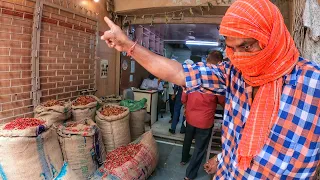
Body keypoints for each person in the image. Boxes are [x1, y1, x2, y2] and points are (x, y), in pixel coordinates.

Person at [100, 0, 320, 178]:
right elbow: (177, 73)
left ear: (273, 38)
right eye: (232, 49)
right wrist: (128, 46)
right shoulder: (234, 73)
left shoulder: (313, 84)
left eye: (247, 46)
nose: (240, 58)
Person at [181, 51, 226, 180]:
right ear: (220, 63)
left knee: (188, 139)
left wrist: (188, 105)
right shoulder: (216, 79)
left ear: (207, 59)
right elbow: (223, 102)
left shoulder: (193, 76)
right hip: (204, 122)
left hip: (190, 117)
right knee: (199, 148)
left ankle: (184, 159)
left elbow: (184, 98)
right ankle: (189, 175)